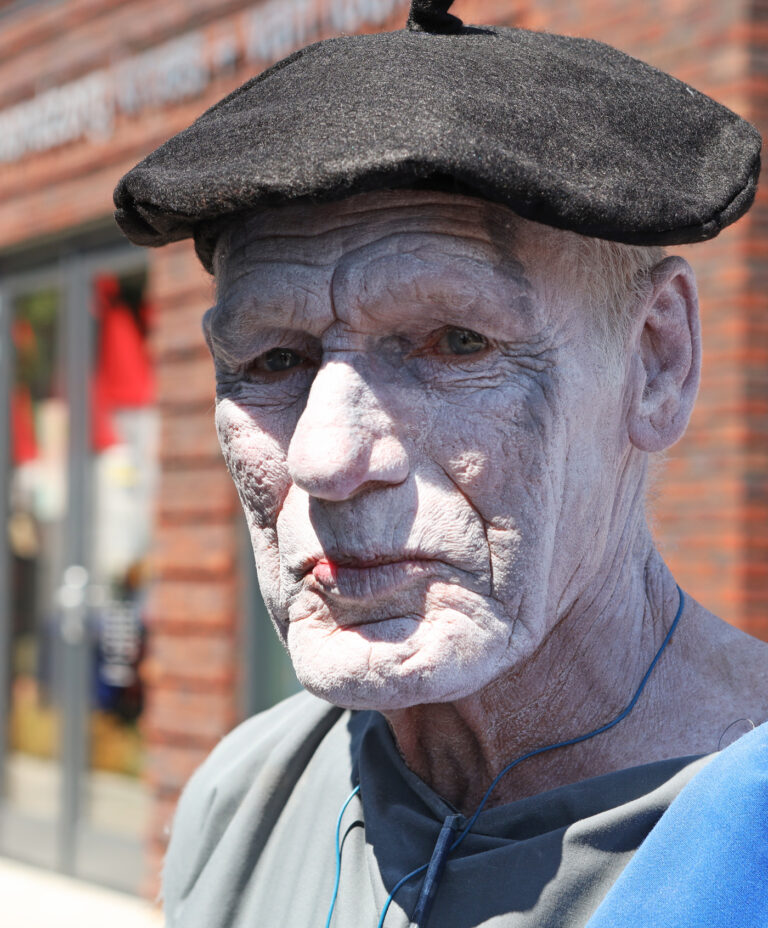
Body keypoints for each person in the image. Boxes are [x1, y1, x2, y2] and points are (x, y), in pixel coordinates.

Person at [114, 2, 768, 925]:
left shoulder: (748, 825)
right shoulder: (244, 796)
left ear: (657, 361)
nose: (326, 457)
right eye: (274, 362)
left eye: (455, 342)